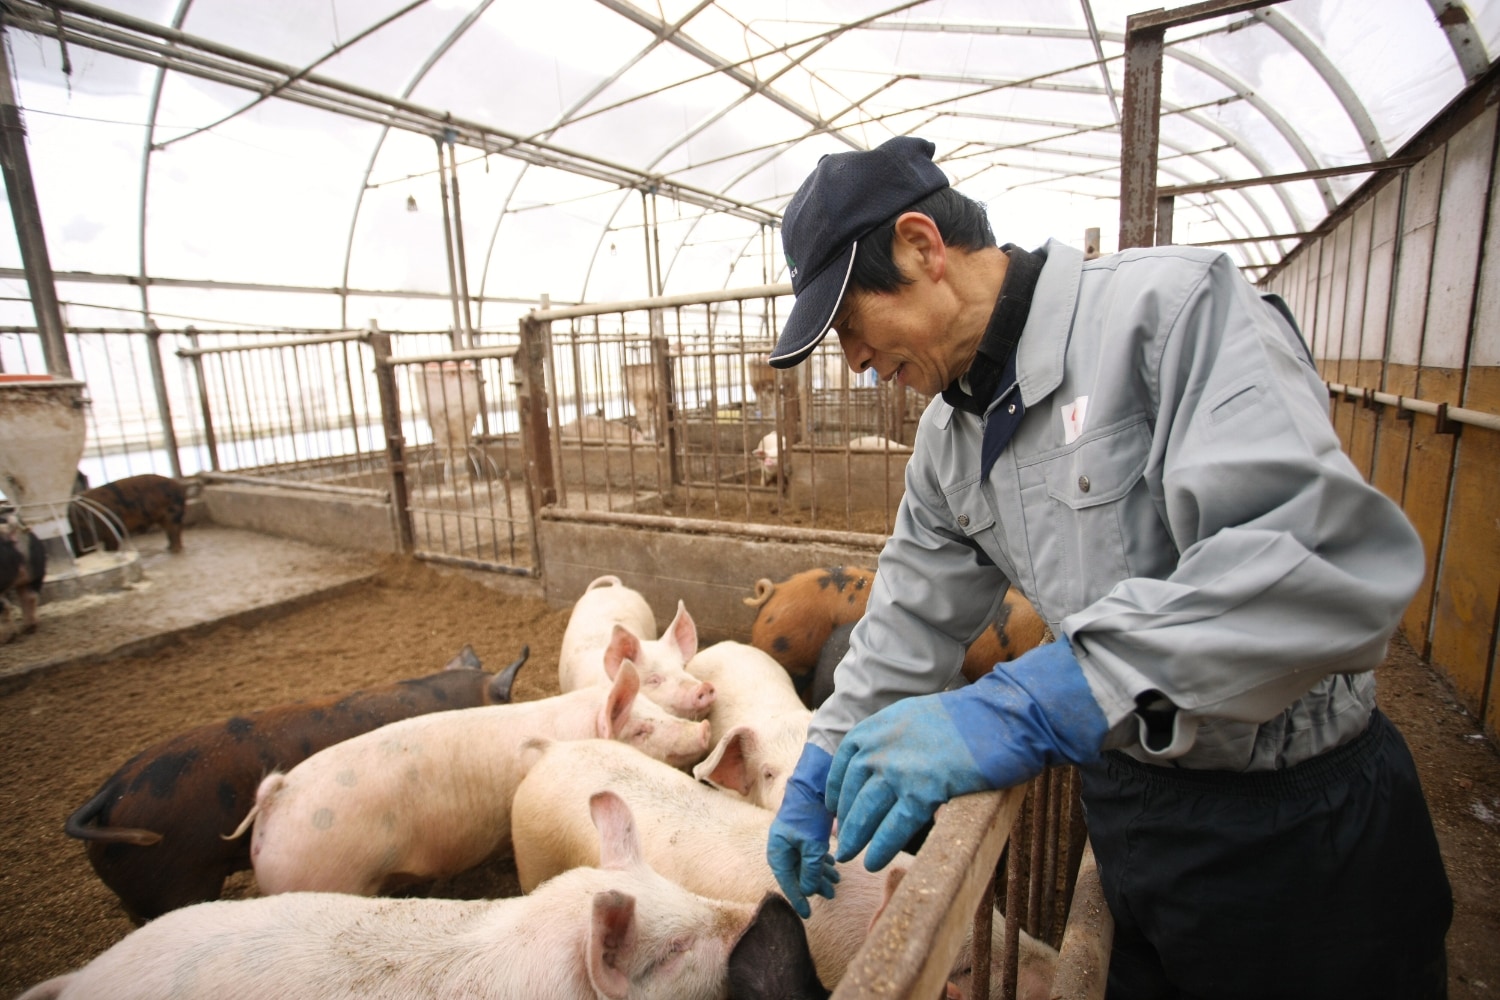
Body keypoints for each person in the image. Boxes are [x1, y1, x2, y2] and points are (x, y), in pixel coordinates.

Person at [762, 135, 1452, 999]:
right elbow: (909, 617)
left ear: (921, 247)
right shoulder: (947, 441)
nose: (855, 363)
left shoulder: (1173, 311)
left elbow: (1321, 565)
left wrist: (1037, 699)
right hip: (1132, 822)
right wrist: (820, 760)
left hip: (1298, 836)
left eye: (851, 326)